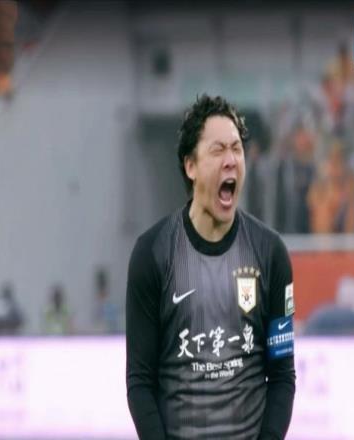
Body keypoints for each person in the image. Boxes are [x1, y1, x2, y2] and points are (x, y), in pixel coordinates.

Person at [126, 95, 296, 440]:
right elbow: (140, 381)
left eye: (237, 149)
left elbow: (282, 376)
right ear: (190, 166)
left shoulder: (270, 253)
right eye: (218, 150)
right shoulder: (153, 253)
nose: (231, 160)